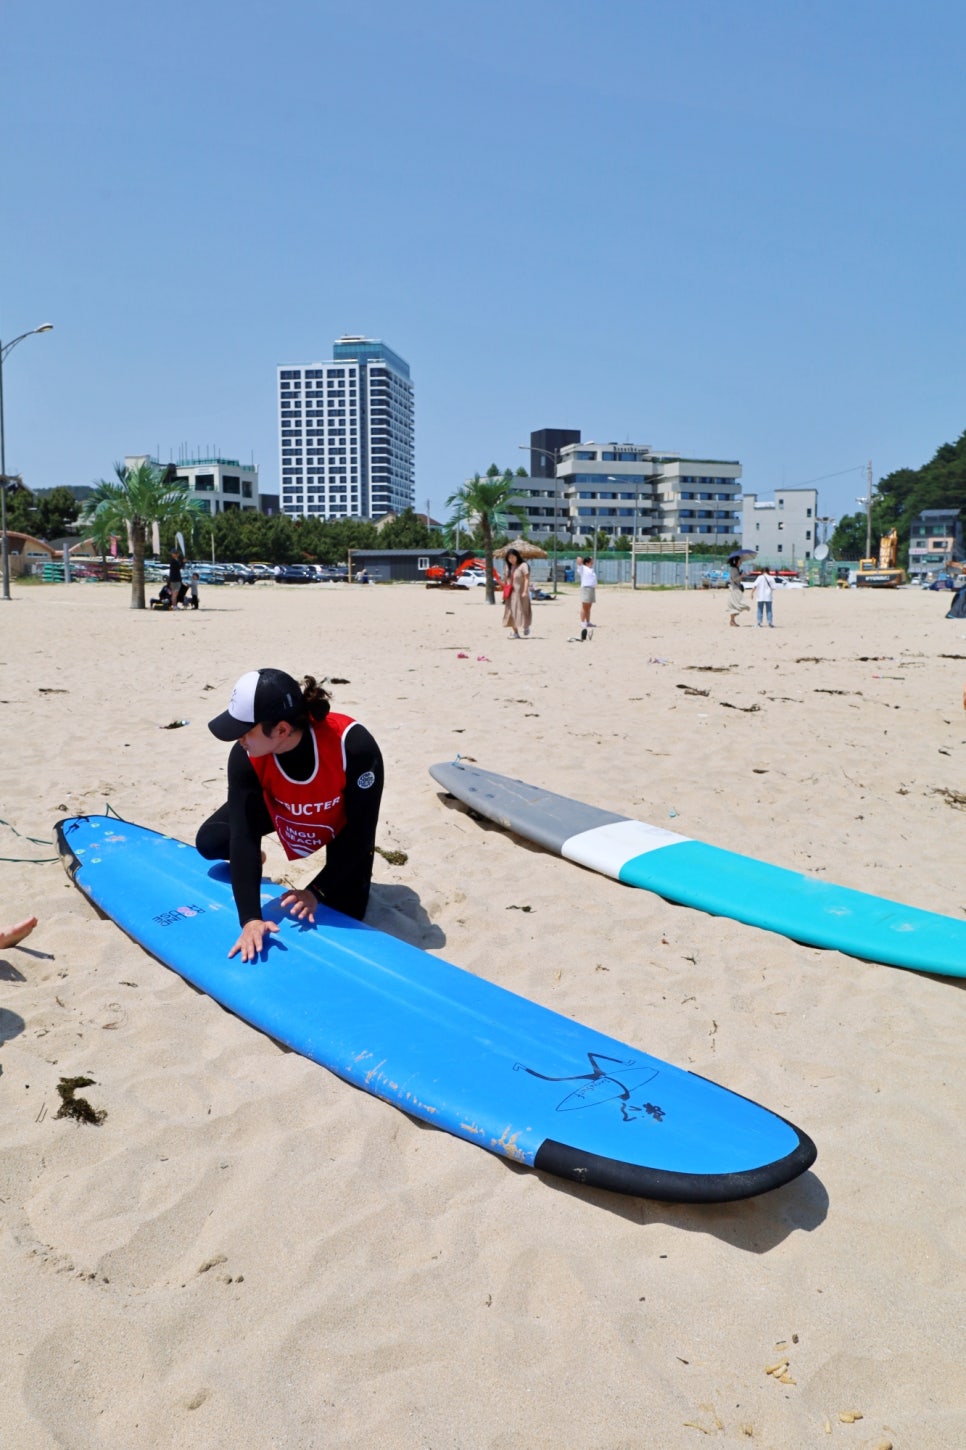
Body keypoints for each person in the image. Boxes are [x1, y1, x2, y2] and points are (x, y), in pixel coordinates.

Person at [197, 668, 384, 963]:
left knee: (344, 909)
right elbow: (244, 836)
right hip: (284, 806)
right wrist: (250, 919)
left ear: (282, 730)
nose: (239, 740)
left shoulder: (354, 747)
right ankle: (258, 862)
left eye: (245, 731)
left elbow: (361, 835)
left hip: (338, 821)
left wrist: (315, 891)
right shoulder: (245, 756)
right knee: (211, 842)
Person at [502, 548, 532, 640]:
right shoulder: (507, 567)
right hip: (510, 593)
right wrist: (504, 591)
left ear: (517, 556)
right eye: (509, 558)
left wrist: (525, 591)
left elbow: (527, 579)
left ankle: (526, 626)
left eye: (513, 557)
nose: (511, 559)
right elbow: (505, 580)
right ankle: (515, 633)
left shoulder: (523, 565)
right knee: (510, 612)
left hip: (520, 592)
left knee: (522, 610)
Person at [727, 554, 751, 627]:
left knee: (736, 605)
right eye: (740, 561)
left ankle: (732, 621)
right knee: (736, 605)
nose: (741, 563)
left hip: (736, 588)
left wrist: (740, 575)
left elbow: (737, 579)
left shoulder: (736, 569)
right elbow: (734, 579)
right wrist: (741, 576)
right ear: (736, 561)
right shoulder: (734, 569)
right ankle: (732, 621)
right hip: (735, 589)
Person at [576, 556, 597, 639]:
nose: (592, 563)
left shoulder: (591, 570)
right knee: (585, 606)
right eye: (591, 562)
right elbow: (579, 562)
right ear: (587, 562)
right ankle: (582, 621)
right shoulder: (583, 569)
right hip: (586, 588)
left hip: (591, 588)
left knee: (589, 606)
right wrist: (580, 559)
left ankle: (588, 621)